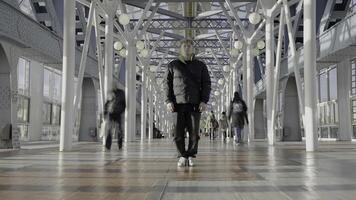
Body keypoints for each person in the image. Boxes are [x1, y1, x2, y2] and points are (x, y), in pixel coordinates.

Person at [162, 39, 211, 167]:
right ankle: (182, 155)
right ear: (180, 48)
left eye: (189, 46)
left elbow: (206, 84)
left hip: (195, 104)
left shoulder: (201, 65)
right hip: (177, 105)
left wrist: (204, 101)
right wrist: (168, 101)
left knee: (194, 133)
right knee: (178, 133)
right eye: (184, 46)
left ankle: (190, 155)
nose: (187, 48)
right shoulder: (172, 65)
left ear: (193, 48)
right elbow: (166, 85)